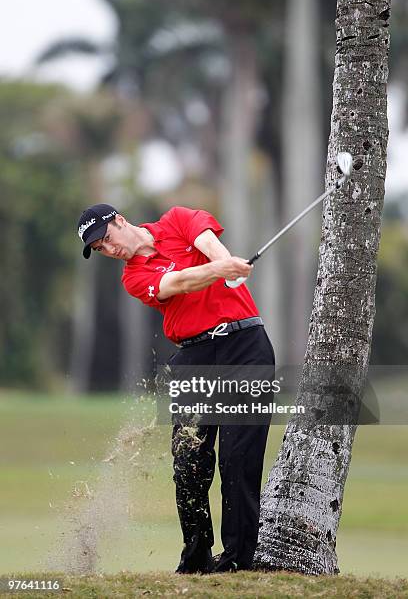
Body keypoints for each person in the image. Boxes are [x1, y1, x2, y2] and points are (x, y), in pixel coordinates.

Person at [77, 203, 275, 574]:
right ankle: (196, 557)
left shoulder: (177, 220)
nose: (109, 248)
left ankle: (236, 561)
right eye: (101, 248)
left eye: (107, 238)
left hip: (245, 347)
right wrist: (222, 269)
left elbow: (208, 241)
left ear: (120, 220)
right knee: (189, 463)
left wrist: (227, 264)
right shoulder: (133, 277)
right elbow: (180, 283)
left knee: (239, 458)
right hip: (194, 356)